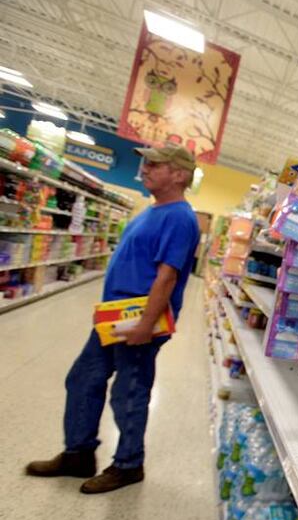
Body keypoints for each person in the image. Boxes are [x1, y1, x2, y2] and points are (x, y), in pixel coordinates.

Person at [26, 144, 201, 494]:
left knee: (129, 392)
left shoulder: (180, 217)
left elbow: (167, 277)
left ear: (178, 174)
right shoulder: (151, 211)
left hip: (138, 321)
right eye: (145, 162)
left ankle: (128, 464)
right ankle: (78, 454)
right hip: (114, 318)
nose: (144, 167)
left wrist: (146, 325)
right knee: (83, 379)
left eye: (154, 163)